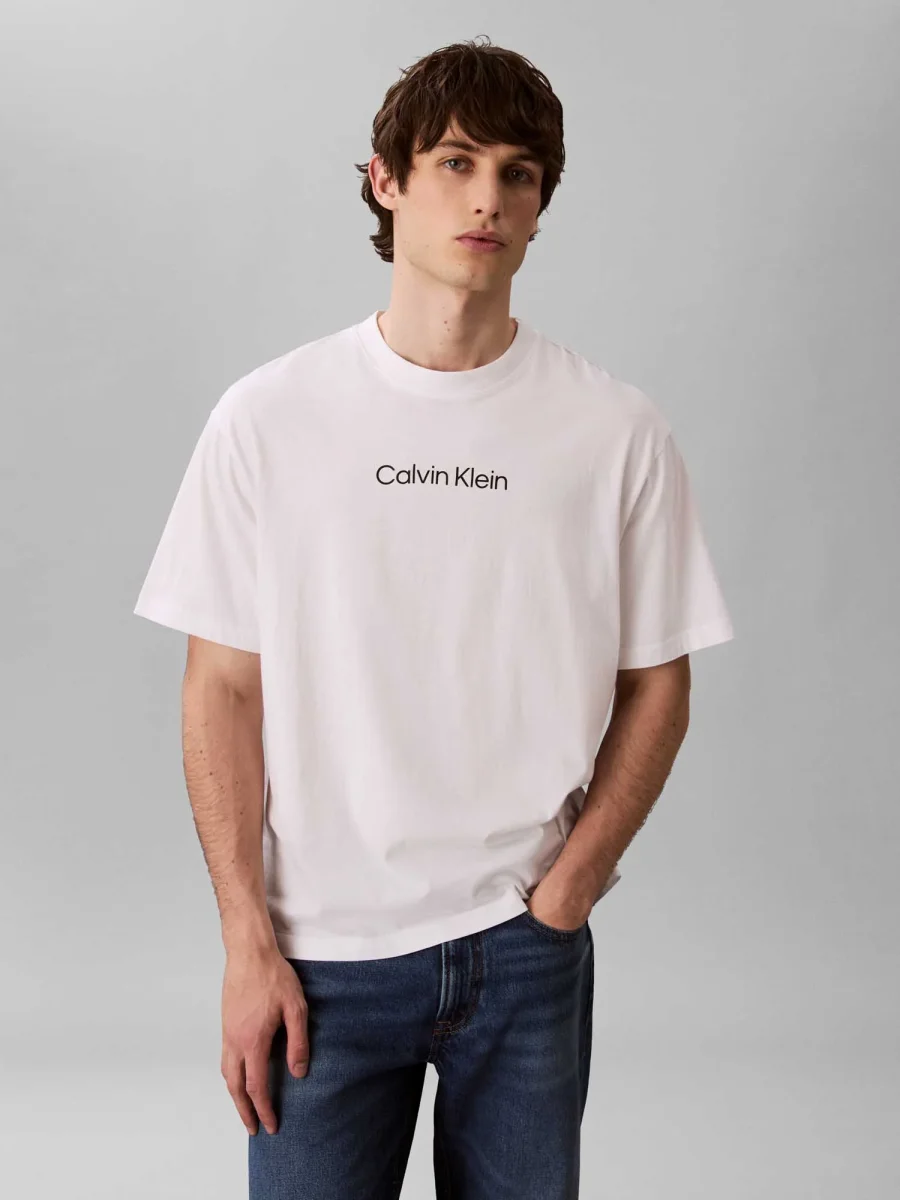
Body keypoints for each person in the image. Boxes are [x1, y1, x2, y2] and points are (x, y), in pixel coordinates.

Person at [133, 35, 735, 1200]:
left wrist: (567, 894)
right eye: (455, 162)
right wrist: (246, 942)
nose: (487, 198)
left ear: (542, 205)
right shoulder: (269, 418)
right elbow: (223, 687)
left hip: (526, 949)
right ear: (387, 181)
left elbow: (660, 680)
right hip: (321, 958)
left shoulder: (612, 430)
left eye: (518, 173)